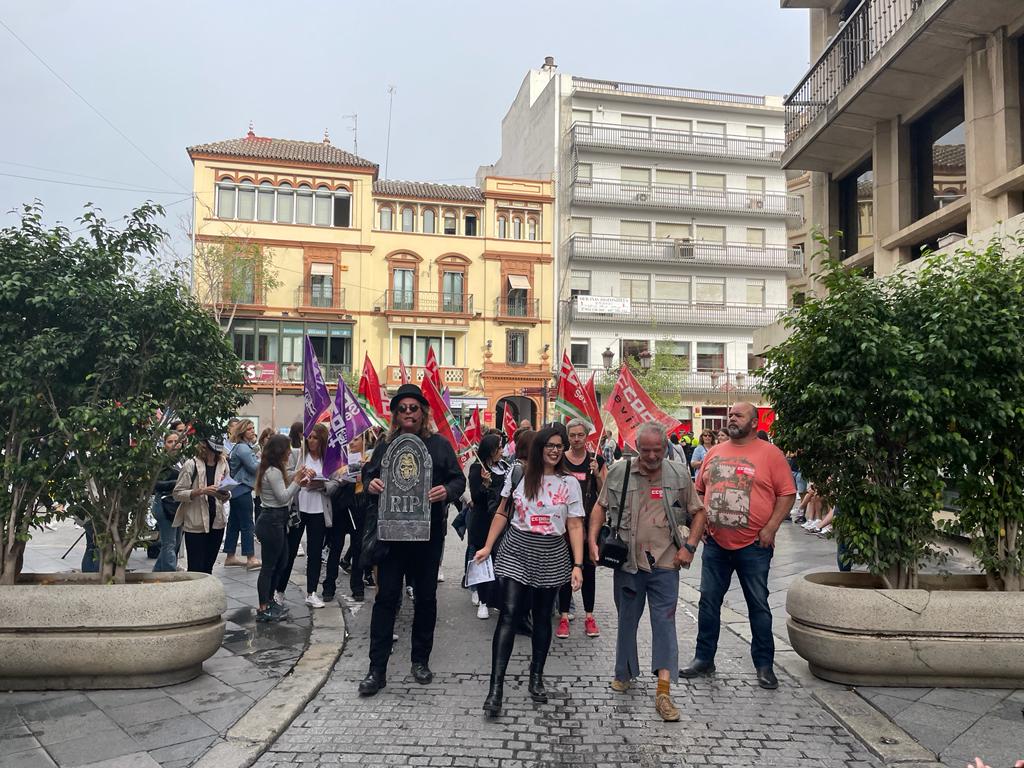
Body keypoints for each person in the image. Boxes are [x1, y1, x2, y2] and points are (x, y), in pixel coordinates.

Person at [588, 422, 706, 722]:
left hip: (666, 563)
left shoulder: (679, 473)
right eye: (646, 450)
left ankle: (663, 691)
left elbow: (699, 512)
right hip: (628, 563)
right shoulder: (619, 471)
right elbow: (600, 507)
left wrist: (689, 548)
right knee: (627, 619)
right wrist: (592, 540)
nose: (652, 456)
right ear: (636, 447)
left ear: (666, 447)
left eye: (658, 450)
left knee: (665, 623)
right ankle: (624, 672)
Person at [357, 384, 466, 697]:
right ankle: (376, 670)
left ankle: (420, 660)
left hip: (427, 538)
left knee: (426, 599)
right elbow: (368, 474)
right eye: (402, 408)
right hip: (391, 538)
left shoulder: (440, 446)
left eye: (413, 408)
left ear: (423, 413)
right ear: (395, 415)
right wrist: (372, 483)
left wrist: (447, 491)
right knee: (385, 600)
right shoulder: (385, 445)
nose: (408, 413)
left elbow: (457, 478)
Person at [682, 402, 796, 691]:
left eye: (738, 415)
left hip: (754, 545)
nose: (732, 418)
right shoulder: (714, 453)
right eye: (730, 414)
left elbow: (787, 494)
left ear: (755, 422)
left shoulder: (771, 455)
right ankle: (703, 658)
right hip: (716, 545)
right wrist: (700, 523)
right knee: (708, 602)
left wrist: (770, 528)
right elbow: (698, 491)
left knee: (758, 604)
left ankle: (764, 665)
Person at [474, 426, 585, 717]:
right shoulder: (519, 475)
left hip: (552, 552)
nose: (554, 450)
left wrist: (578, 564)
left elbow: (574, 525)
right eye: (549, 444)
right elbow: (502, 511)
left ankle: (536, 676)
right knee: (509, 614)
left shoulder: (570, 483)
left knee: (542, 616)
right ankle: (495, 688)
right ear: (538, 447)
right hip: (517, 548)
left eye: (559, 446)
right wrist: (487, 546)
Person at [556, 418, 605, 640]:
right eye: (572, 435)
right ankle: (564, 616)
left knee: (589, 569)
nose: (576, 439)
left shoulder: (597, 460)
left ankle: (589, 615)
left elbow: (605, 493)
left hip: (589, 525)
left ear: (587, 437)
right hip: (564, 525)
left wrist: (596, 474)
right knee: (566, 571)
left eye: (580, 435)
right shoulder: (560, 460)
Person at [255, 434, 311, 622]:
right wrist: (297, 481)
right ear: (280, 451)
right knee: (269, 566)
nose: (290, 452)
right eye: (287, 449)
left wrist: (297, 482)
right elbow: (283, 497)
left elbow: (284, 492)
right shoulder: (273, 471)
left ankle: (270, 600)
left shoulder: (274, 470)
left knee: (282, 560)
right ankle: (264, 606)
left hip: (277, 520)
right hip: (272, 520)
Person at [172, 435, 231, 574]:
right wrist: (201, 491)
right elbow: (177, 493)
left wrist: (225, 494)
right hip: (196, 523)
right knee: (196, 568)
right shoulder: (191, 465)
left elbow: (227, 490)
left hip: (217, 521)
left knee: (208, 567)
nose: (214, 454)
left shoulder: (223, 463)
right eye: (211, 449)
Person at [296, 423, 340, 608]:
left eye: (315, 437)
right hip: (299, 509)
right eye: (309, 437)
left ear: (322, 439)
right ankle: (279, 591)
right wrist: (300, 477)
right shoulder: (300, 455)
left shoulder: (328, 459)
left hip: (319, 510)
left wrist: (321, 485)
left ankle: (311, 592)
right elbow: (289, 476)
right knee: (289, 551)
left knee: (315, 553)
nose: (311, 440)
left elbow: (336, 481)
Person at [467, 433, 504, 619]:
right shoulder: (476, 468)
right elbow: (476, 498)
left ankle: (495, 598)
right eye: (499, 448)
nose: (502, 451)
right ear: (491, 450)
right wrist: (485, 484)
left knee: (499, 561)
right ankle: (482, 600)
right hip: (482, 521)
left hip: (500, 521)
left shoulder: (504, 467)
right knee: (483, 559)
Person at [334, 432, 371, 601]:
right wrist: (343, 475)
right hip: (343, 506)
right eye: (350, 439)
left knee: (358, 547)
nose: (352, 443)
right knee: (336, 546)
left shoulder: (370, 459)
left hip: (361, 506)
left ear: (364, 441)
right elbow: (334, 479)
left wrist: (366, 470)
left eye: (356, 439)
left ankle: (357, 587)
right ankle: (329, 586)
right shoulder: (342, 459)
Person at [224, 419, 261, 569]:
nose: (252, 431)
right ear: (242, 432)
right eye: (249, 429)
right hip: (243, 488)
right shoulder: (243, 448)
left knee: (234, 524)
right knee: (247, 524)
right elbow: (254, 468)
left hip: (236, 490)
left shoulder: (241, 447)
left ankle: (230, 555)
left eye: (253, 428)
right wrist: (264, 459)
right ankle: (250, 557)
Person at [277, 421, 306, 603]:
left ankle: (280, 590)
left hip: (305, 511)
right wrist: (299, 475)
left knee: (292, 552)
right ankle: (275, 591)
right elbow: (284, 485)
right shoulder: (293, 454)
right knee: (281, 554)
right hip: (288, 511)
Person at [152, 431, 184, 572]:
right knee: (169, 543)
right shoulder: (161, 461)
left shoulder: (183, 459)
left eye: (176, 441)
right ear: (164, 445)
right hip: (165, 504)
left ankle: (158, 572)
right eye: (169, 442)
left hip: (179, 504)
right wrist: (177, 483)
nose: (174, 445)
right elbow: (155, 485)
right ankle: (169, 575)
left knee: (175, 543)